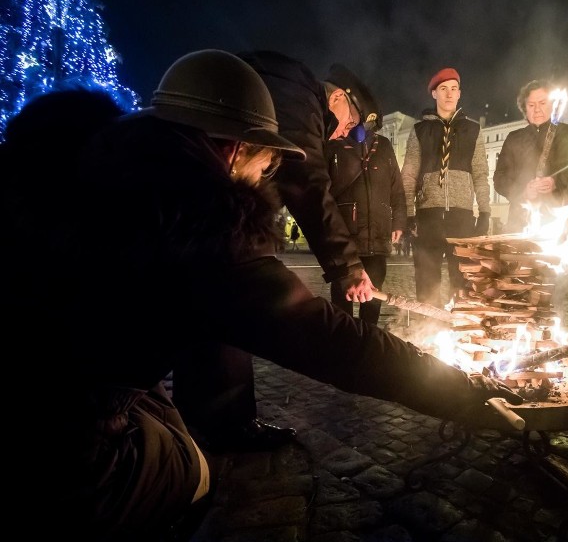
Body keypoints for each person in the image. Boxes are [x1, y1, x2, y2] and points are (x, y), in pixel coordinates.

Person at [5, 50, 522, 540]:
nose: (268, 178)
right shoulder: (204, 228)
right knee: (194, 470)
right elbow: (338, 345)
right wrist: (463, 394)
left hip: (40, 381)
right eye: (268, 165)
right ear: (234, 149)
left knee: (153, 401)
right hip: (50, 454)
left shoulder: (87, 164)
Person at [170, 50, 384, 452]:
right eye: (350, 125)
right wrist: (348, 268)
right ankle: (224, 426)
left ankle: (207, 418)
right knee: (231, 298)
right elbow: (308, 185)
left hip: (207, 212)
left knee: (210, 308)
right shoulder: (297, 93)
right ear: (338, 99)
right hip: (220, 217)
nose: (342, 134)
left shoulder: (282, 79)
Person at [401, 67, 492, 306]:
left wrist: (484, 212)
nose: (449, 94)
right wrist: (409, 214)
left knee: (463, 282)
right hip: (427, 217)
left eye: (453, 89)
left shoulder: (473, 130)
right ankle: (427, 332)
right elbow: (409, 174)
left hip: (461, 218)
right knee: (426, 281)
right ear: (434, 94)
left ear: (459, 94)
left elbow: (481, 174)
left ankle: (460, 332)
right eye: (443, 89)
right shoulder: (420, 130)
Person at [325, 63, 407, 326]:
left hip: (379, 236)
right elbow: (321, 191)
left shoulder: (383, 146)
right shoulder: (335, 143)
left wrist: (399, 221)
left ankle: (369, 340)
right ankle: (344, 340)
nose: (360, 125)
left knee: (373, 296)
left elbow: (397, 187)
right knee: (343, 295)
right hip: (347, 234)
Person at [493, 79, 568, 235]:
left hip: (561, 218)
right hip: (521, 220)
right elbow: (499, 179)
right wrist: (523, 191)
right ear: (524, 109)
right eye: (531, 105)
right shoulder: (514, 138)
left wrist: (556, 182)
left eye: (542, 103)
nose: (537, 109)